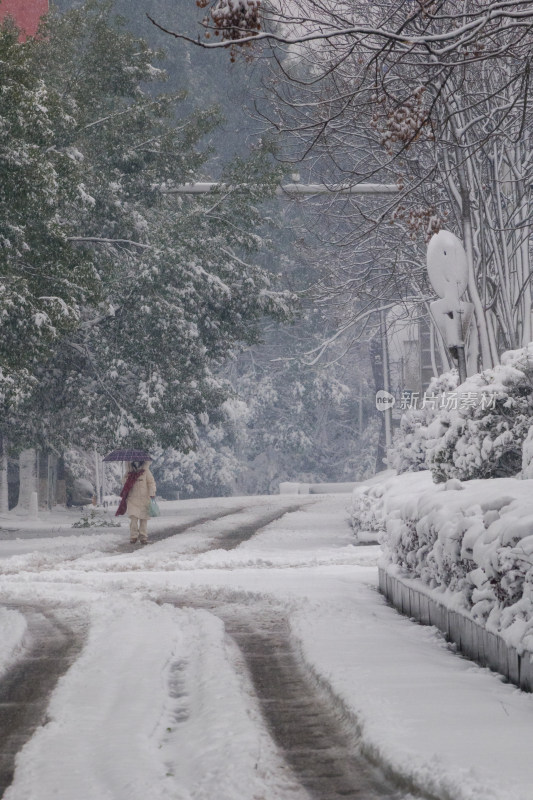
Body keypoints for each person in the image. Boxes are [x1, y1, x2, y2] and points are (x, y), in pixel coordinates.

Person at [116, 460, 156, 544]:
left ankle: (143, 537)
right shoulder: (129, 472)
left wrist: (152, 493)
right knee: (133, 519)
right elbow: (123, 482)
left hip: (144, 499)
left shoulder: (146, 472)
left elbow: (151, 483)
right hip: (132, 499)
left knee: (143, 519)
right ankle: (133, 536)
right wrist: (128, 478)